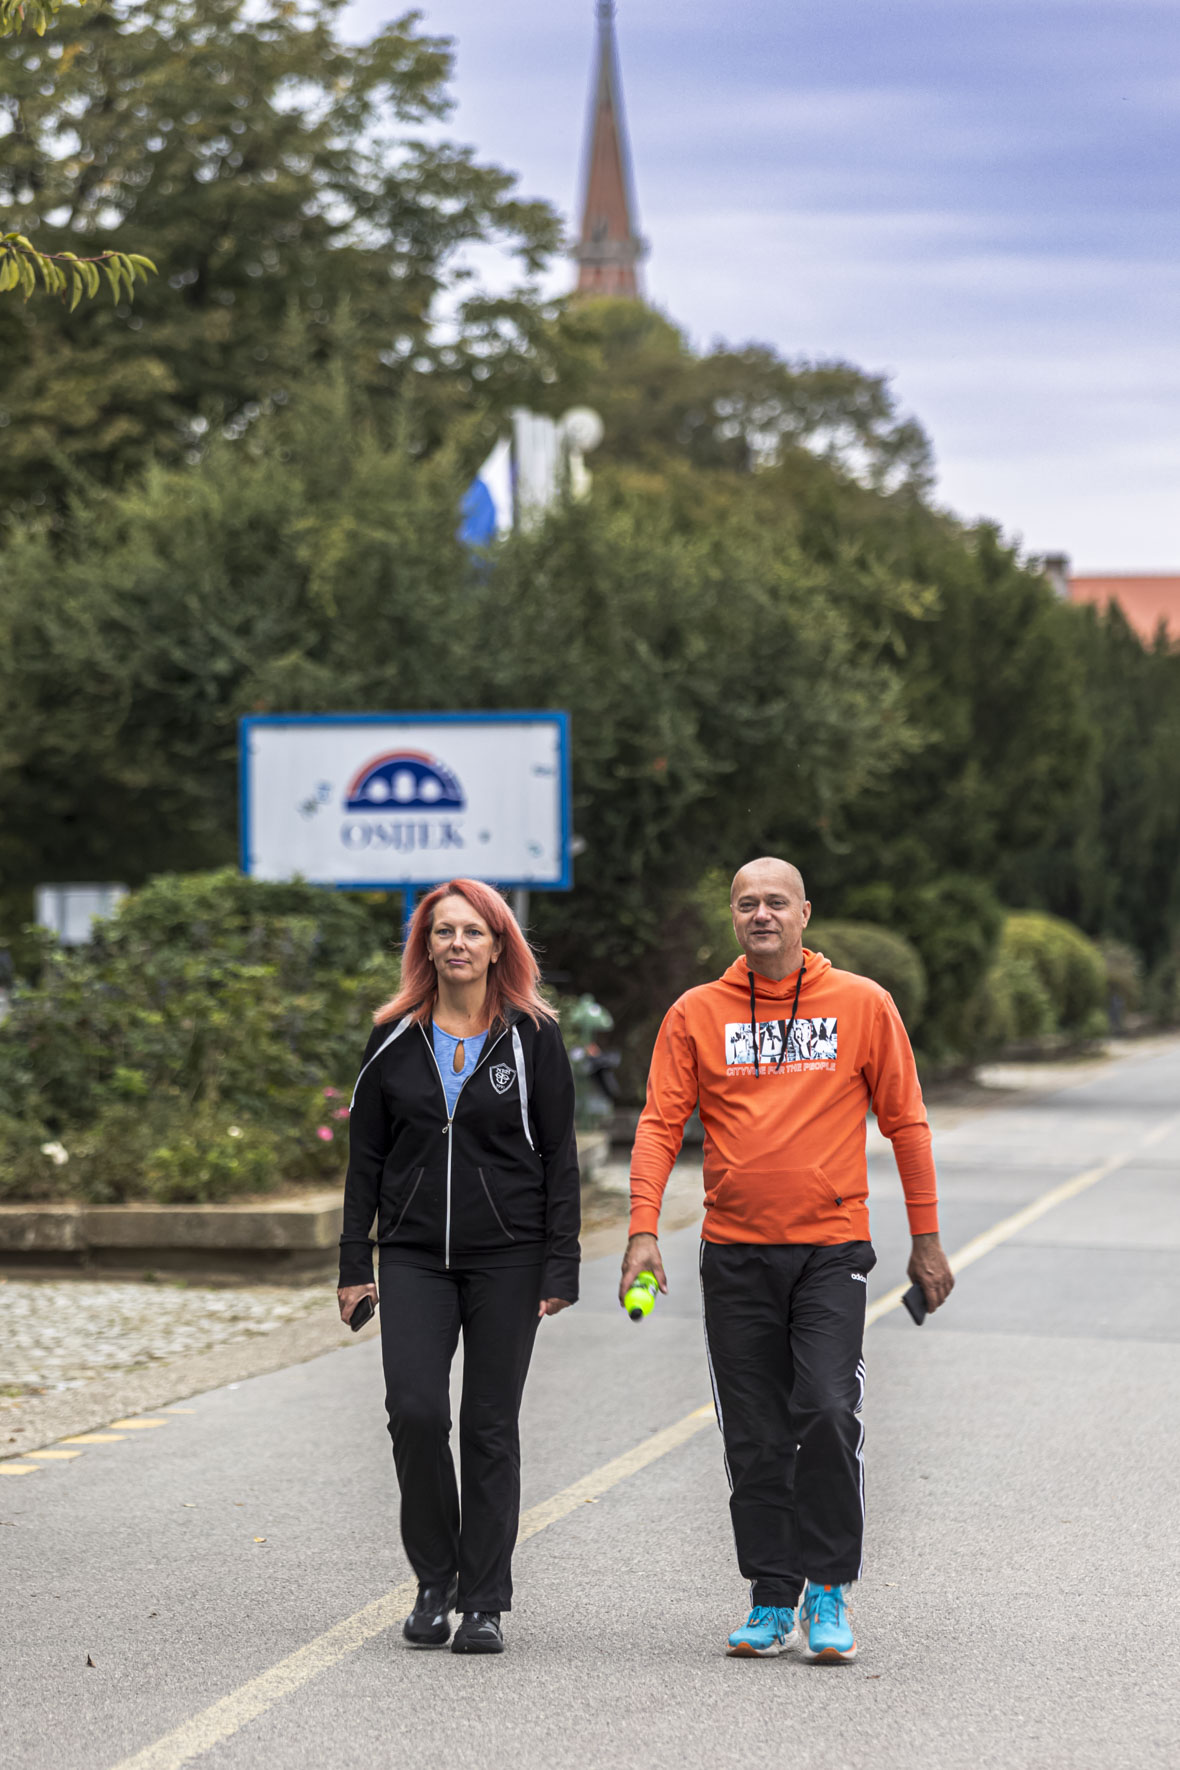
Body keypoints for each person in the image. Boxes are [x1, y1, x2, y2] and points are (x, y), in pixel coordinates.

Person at [619, 857, 953, 1664]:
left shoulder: (863, 1004)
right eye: (746, 903)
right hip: (734, 1256)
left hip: (831, 1250)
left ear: (805, 913)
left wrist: (927, 1238)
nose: (760, 914)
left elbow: (905, 1123)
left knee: (829, 1412)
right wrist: (641, 1231)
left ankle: (829, 1589)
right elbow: (661, 1124)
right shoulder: (697, 1013)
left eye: (775, 902)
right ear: (732, 918)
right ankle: (772, 1595)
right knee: (756, 1434)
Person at [338, 879, 580, 1656]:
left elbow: (561, 1156)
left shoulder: (533, 1036)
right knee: (414, 1411)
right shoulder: (389, 1037)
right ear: (426, 947)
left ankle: (483, 1601)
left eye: (472, 931)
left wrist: (560, 1263)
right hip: (411, 1254)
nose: (457, 944)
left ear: (498, 944)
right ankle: (433, 1581)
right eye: (443, 931)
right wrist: (354, 1263)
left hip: (508, 1254)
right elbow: (364, 1160)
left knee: (487, 1426)